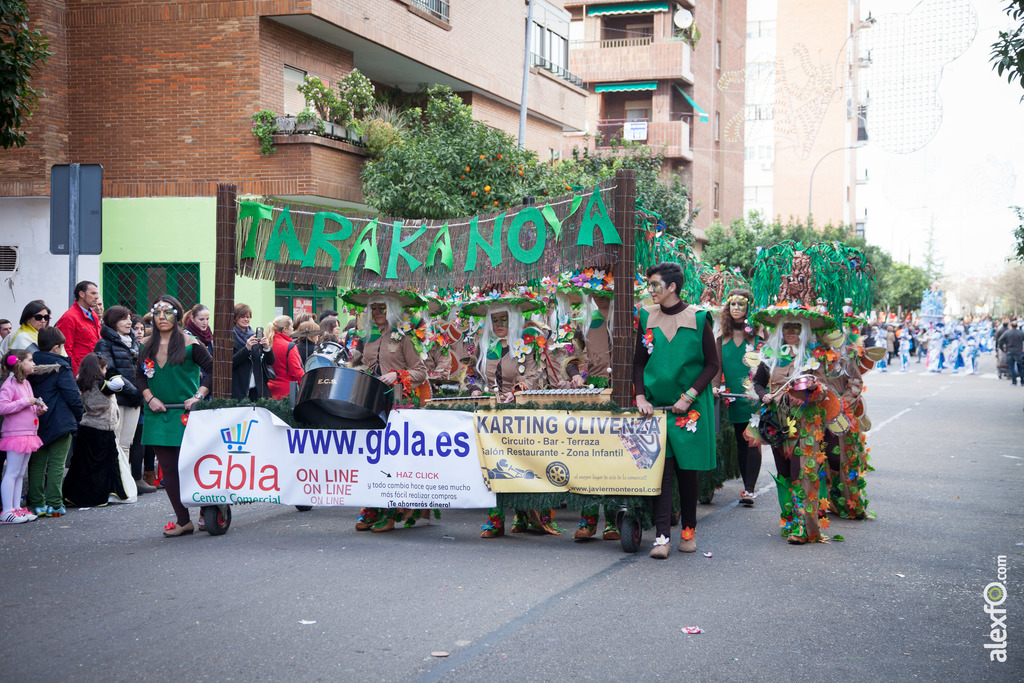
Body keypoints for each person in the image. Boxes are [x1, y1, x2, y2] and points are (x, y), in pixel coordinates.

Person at [635, 263, 720, 558]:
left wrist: (690, 395)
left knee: (687, 473)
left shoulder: (698, 318)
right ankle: (661, 537)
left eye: (655, 285)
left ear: (672, 287)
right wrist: (639, 396)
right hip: (656, 409)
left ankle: (688, 532)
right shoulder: (646, 316)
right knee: (661, 472)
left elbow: (712, 364)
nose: (650, 290)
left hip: (688, 410)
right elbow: (638, 363)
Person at [344, 289, 429, 532]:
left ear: (391, 309)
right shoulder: (368, 337)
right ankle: (371, 509)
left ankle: (391, 512)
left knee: (394, 460)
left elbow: (420, 372)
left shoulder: (405, 336)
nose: (378, 312)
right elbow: (363, 364)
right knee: (371, 457)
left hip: (400, 404)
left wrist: (397, 375)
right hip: (371, 402)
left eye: (383, 308)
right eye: (374, 308)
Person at [136, 295, 213, 537]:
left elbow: (212, 371)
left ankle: (207, 510)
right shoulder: (144, 345)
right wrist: (150, 397)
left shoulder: (192, 344)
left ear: (178, 316)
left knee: (193, 466)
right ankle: (183, 520)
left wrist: (198, 397)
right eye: (157, 313)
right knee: (168, 469)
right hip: (158, 414)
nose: (161, 318)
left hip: (185, 413)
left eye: (167, 312)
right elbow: (139, 376)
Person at [94, 305, 153, 493]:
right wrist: (136, 391)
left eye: (129, 318)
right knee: (115, 443)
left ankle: (126, 484)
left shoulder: (135, 342)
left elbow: (143, 367)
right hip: (117, 398)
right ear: (113, 322)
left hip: (135, 399)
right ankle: (114, 484)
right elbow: (110, 371)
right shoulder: (104, 343)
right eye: (124, 319)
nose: (129, 322)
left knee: (127, 443)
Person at [63, 353, 135, 506]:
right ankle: (97, 496)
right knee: (101, 466)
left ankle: (74, 495)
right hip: (102, 429)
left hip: (86, 427)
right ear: (98, 369)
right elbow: (118, 384)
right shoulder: (102, 385)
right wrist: (113, 373)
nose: (105, 370)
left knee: (82, 465)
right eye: (104, 368)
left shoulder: (82, 382)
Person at [28, 327, 83, 517]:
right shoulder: (61, 367)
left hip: (35, 419)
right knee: (57, 464)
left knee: (37, 463)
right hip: (60, 421)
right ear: (56, 347)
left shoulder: (29, 365)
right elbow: (72, 397)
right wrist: (79, 415)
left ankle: (37, 504)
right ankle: (54, 504)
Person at [715, 289, 763, 507]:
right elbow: (716, 368)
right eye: (732, 305)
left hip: (754, 398)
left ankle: (749, 489)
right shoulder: (721, 336)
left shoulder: (758, 335)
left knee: (751, 441)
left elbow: (767, 364)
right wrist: (716, 387)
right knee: (740, 442)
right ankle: (746, 486)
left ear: (748, 309)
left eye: (741, 305)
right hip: (732, 398)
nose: (736, 308)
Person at [0, 350, 45, 523]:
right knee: (12, 472)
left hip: (28, 433)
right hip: (15, 434)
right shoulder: (9, 384)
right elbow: (2, 407)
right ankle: (7, 510)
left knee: (19, 473)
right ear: (19, 363)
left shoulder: (25, 383)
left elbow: (24, 407)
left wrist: (37, 410)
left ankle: (16, 507)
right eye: (30, 360)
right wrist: (27, 402)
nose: (34, 364)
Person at [55, 280, 102, 375]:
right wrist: (77, 374)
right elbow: (65, 350)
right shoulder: (69, 318)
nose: (97, 297)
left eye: (97, 293)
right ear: (81, 294)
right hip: (82, 373)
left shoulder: (94, 315)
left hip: (96, 369)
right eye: (93, 293)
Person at [231, 303, 275, 400]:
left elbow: (270, 361)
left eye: (248, 316)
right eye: (242, 317)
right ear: (235, 319)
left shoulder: (255, 335)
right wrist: (246, 348)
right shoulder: (230, 336)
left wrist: (267, 347)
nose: (246, 319)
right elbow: (230, 363)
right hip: (239, 388)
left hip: (257, 388)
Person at [266, 315, 303, 401]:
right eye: (291, 327)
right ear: (285, 329)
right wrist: (306, 386)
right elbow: (296, 372)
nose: (293, 329)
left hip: (269, 389)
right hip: (286, 392)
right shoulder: (289, 346)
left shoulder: (267, 343)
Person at [999, 321, 1024, 385]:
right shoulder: (1021, 332)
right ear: (1017, 326)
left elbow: (1000, 340)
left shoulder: (1007, 332)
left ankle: (1014, 381)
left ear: (1011, 326)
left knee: (1011, 367)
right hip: (1019, 352)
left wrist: (1003, 349)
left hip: (1009, 351)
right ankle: (1022, 381)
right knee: (1021, 367)